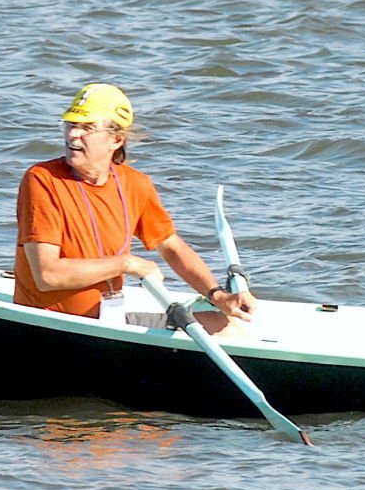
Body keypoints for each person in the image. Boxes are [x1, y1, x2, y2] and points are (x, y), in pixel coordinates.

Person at [13, 83, 254, 334]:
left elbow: (171, 247)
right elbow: (48, 275)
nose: (73, 135)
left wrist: (218, 296)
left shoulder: (136, 184)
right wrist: (126, 264)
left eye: (87, 128)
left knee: (226, 326)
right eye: (71, 125)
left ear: (116, 139)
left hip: (109, 322)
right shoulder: (42, 179)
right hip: (53, 325)